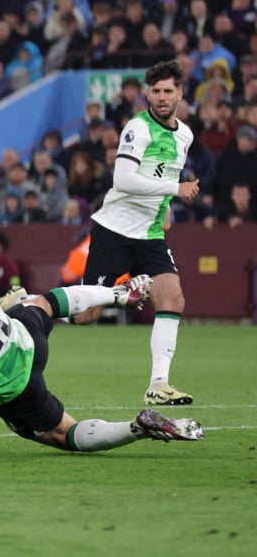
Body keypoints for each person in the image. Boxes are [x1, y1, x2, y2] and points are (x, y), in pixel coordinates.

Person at [0, 227, 204, 463]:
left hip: (14, 386)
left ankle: (137, 427)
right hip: (23, 337)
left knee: (64, 434)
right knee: (44, 303)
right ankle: (119, 295)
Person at [75, 61, 200, 407]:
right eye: (156, 91)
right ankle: (29, 301)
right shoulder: (137, 128)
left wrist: (166, 207)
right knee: (85, 315)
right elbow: (124, 180)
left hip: (149, 234)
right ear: (147, 94)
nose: (162, 97)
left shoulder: (185, 135)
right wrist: (176, 189)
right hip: (114, 229)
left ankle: (159, 383)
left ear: (179, 94)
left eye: (168, 91)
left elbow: (160, 172)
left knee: (172, 297)